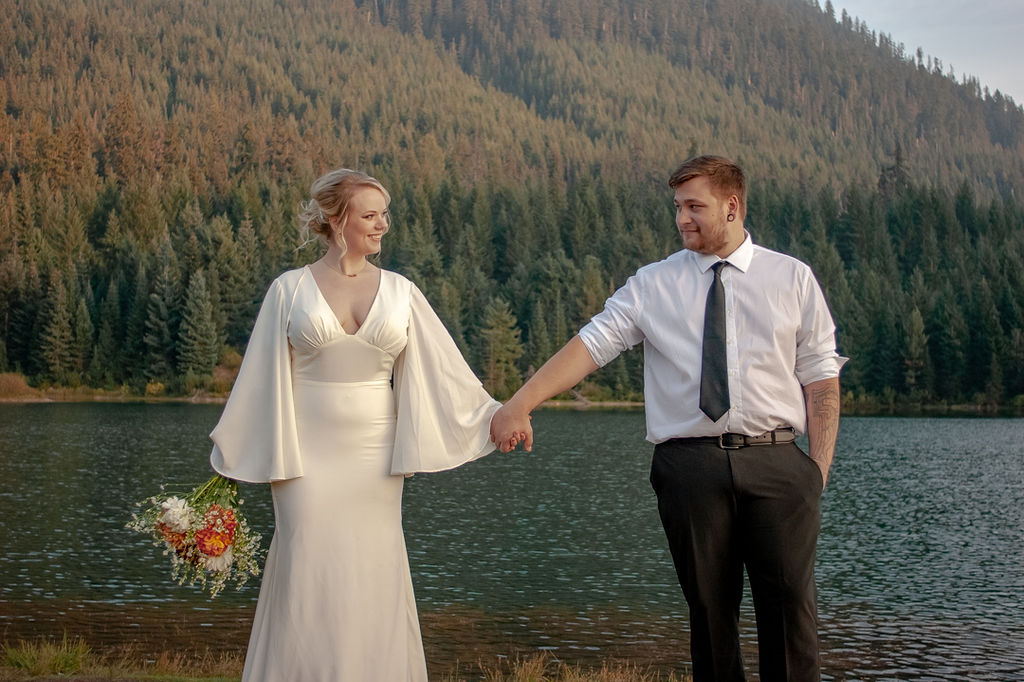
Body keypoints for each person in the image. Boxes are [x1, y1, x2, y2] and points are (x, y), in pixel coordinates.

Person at [491, 155, 846, 681]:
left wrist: (815, 472)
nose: (682, 218)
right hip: (689, 468)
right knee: (708, 618)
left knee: (791, 615)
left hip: (778, 464)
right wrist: (519, 403)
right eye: (677, 206)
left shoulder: (791, 277)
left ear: (731, 206)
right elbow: (591, 345)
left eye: (694, 206)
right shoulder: (653, 284)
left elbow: (820, 376)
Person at [209, 169, 503, 681]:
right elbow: (258, 378)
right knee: (306, 572)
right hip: (304, 461)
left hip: (376, 459)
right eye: (370, 215)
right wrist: (237, 456)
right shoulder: (288, 289)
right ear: (335, 219)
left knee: (372, 574)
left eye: (384, 215)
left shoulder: (402, 292)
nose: (383, 225)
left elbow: (448, 371)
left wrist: (498, 416)